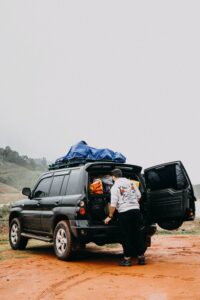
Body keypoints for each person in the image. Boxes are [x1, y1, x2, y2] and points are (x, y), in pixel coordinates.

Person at [104, 168, 145, 266]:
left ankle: (127, 260)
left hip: (124, 213)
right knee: (137, 234)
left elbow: (113, 204)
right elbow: (139, 195)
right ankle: (141, 258)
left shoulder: (115, 187)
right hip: (136, 211)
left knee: (126, 235)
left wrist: (110, 216)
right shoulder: (131, 183)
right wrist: (133, 204)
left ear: (113, 177)